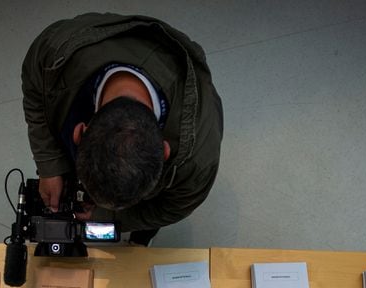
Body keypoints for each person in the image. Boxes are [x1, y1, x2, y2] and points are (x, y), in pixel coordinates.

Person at [22, 13, 224, 245]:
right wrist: (49, 164)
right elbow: (34, 91)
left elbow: (172, 207)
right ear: (79, 132)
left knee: (144, 227)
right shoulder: (56, 53)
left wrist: (107, 217)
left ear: (166, 151)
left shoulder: (198, 158)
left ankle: (141, 239)